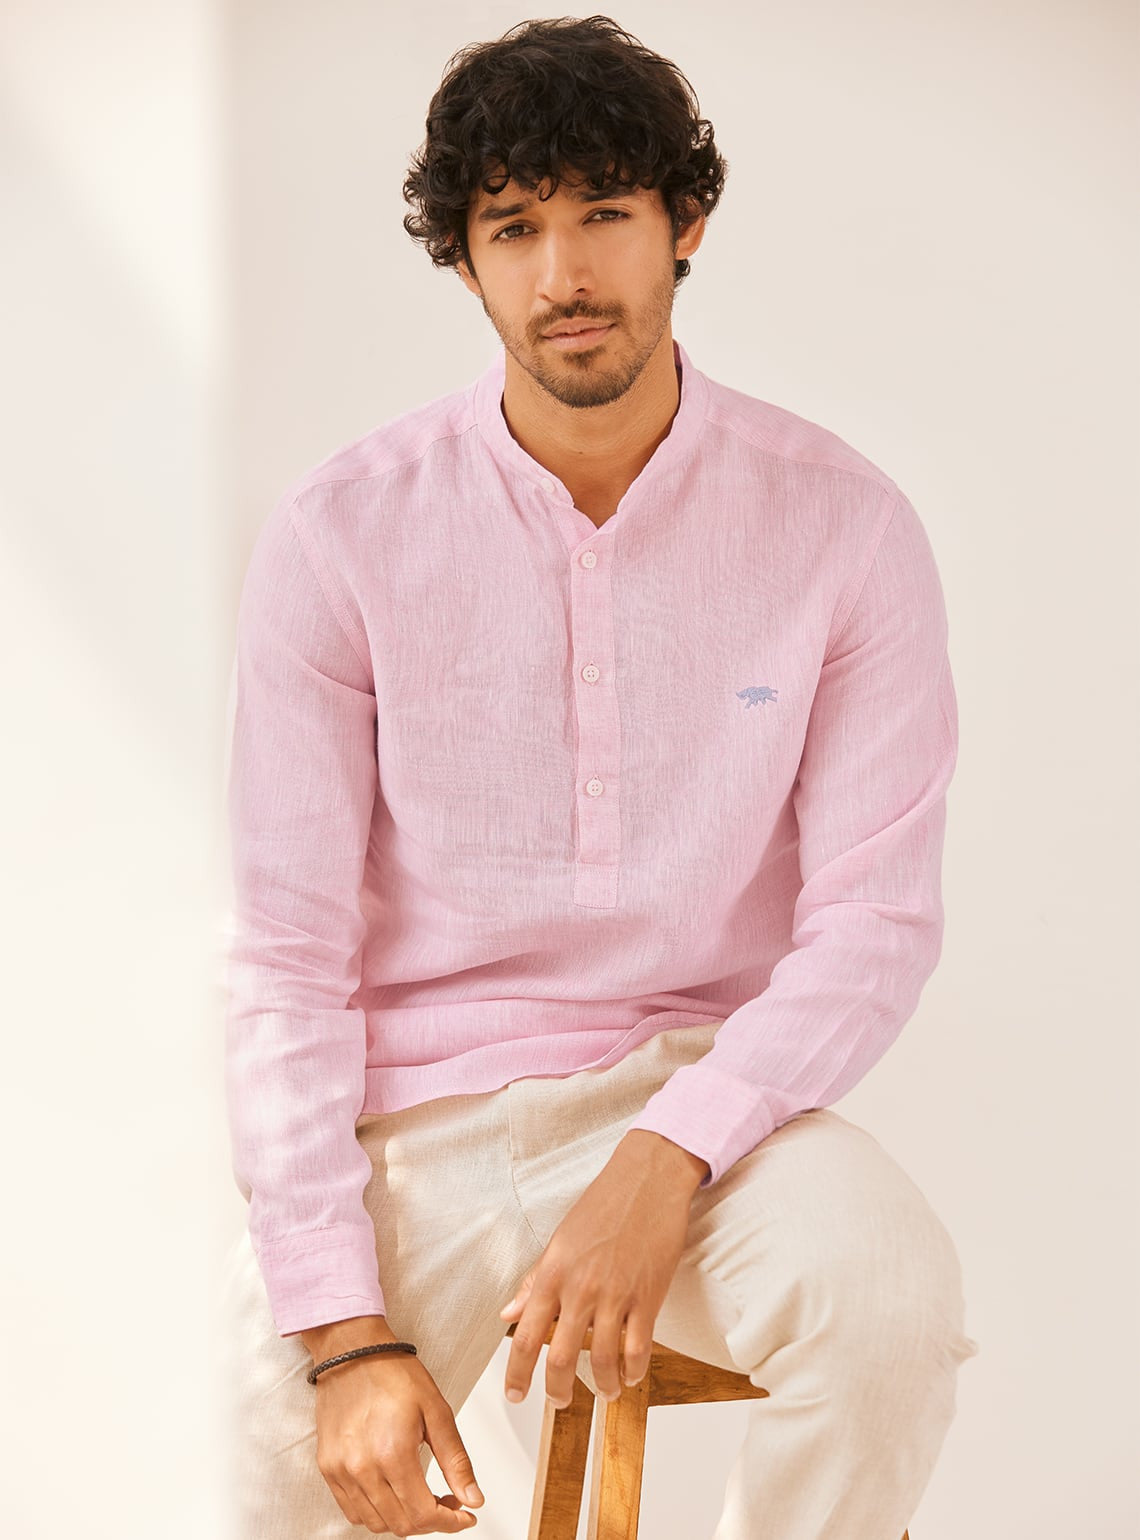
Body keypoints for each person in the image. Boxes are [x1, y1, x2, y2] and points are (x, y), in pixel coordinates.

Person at [220, 15, 980, 1539]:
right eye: (515, 227)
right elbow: (288, 959)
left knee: (886, 1304)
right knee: (233, 1467)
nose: (564, 273)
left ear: (684, 224)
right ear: (466, 262)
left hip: (715, 1098)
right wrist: (347, 1335)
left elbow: (875, 925)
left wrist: (671, 1148)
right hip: (416, 1126)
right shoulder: (342, 535)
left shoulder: (844, 528)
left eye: (605, 214)